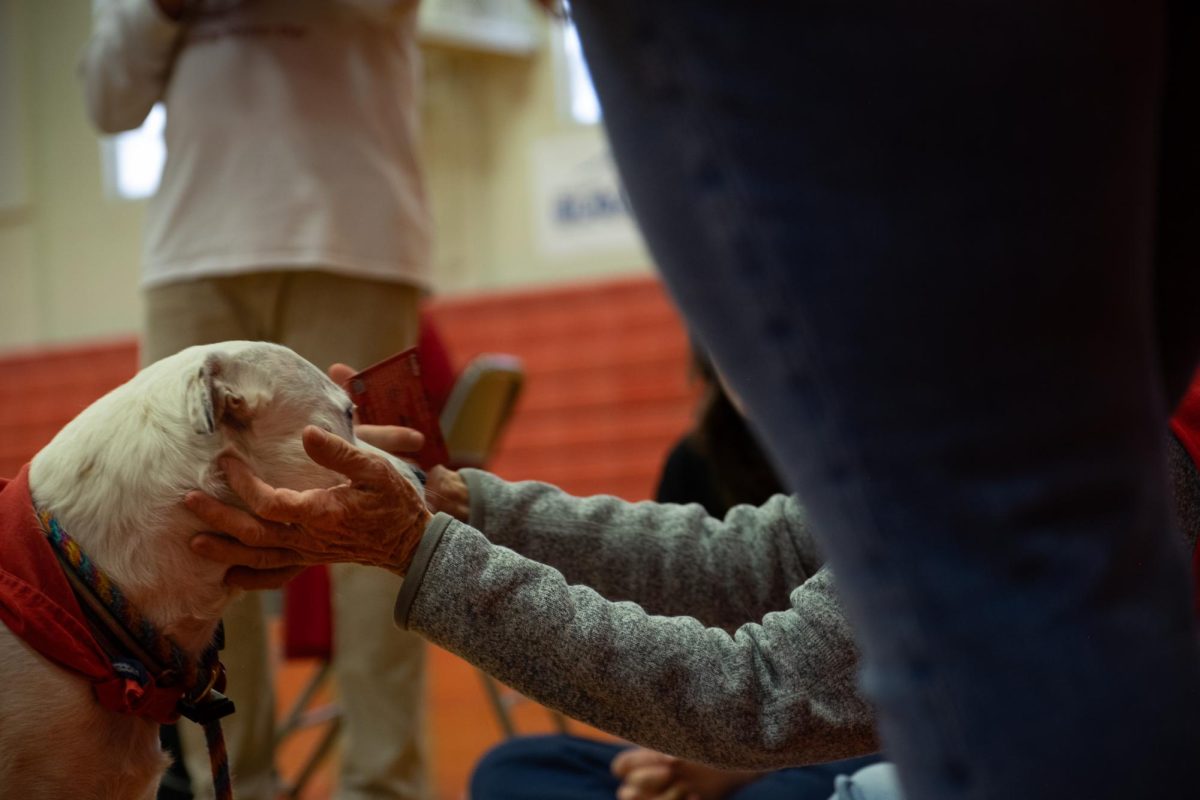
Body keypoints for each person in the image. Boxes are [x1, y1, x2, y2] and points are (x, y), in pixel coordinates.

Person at [184, 3, 1200, 799]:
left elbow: (752, 693)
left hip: (856, 746)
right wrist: (472, 511)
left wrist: (425, 552)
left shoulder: (1063, 428)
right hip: (860, 723)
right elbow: (743, 565)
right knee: (532, 774)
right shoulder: (1053, 385)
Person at [80, 2, 433, 798]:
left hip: (355, 234)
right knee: (189, 537)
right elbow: (108, 102)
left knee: (382, 524)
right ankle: (236, 785)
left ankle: (387, 787)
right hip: (193, 247)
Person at [466, 344, 885, 800]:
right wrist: (472, 509)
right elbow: (711, 584)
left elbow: (770, 697)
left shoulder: (894, 457)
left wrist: (733, 765)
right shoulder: (702, 457)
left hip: (858, 739)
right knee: (512, 768)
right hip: (723, 714)